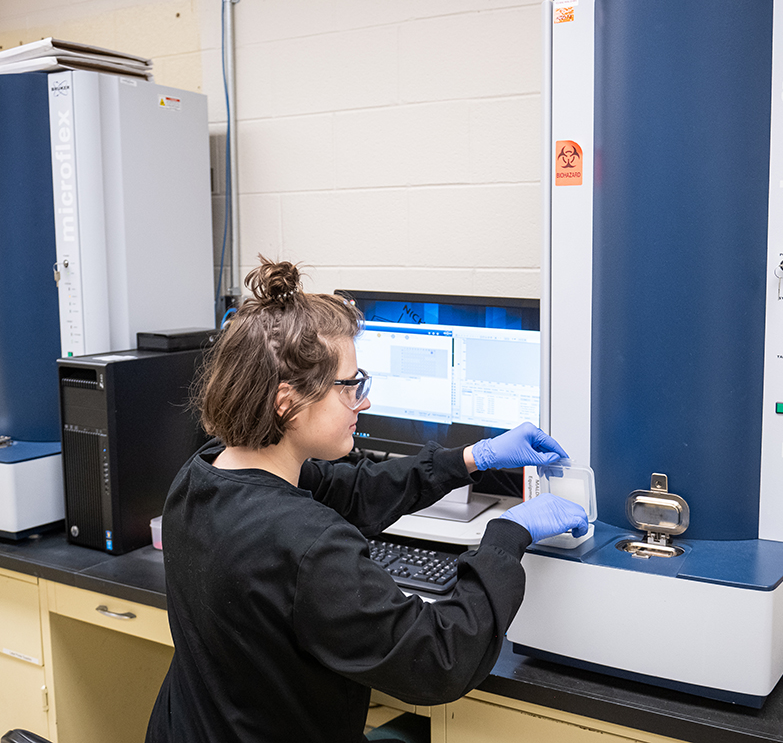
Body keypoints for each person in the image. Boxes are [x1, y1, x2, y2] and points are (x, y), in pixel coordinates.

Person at [145, 257, 588, 743]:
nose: (365, 402)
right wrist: (507, 537)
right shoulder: (308, 545)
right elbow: (440, 660)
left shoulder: (201, 475)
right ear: (286, 400)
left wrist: (470, 458)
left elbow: (352, 489)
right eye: (350, 388)